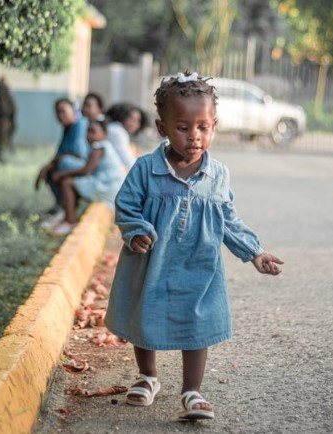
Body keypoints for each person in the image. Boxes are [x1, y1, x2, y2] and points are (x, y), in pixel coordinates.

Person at [104, 71, 284, 420]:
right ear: (162, 128)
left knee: (197, 323)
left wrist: (254, 252)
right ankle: (148, 376)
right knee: (145, 313)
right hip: (152, 261)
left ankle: (191, 390)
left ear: (214, 125)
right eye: (183, 127)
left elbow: (228, 219)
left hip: (199, 264)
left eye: (203, 127)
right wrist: (136, 230)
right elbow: (126, 205)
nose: (194, 137)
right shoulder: (145, 169)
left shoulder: (218, 175)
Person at [47, 114, 126, 236]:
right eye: (88, 131)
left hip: (107, 186)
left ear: (104, 134)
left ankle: (69, 221)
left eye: (93, 132)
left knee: (67, 182)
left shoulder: (98, 147)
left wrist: (61, 174)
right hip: (112, 185)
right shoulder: (104, 145)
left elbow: (86, 170)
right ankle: (67, 216)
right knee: (75, 182)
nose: (89, 136)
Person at [35, 98, 89, 225]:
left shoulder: (80, 124)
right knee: (51, 169)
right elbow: (60, 153)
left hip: (86, 167)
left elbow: (77, 153)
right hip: (75, 165)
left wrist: (50, 165)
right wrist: (47, 167)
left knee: (64, 163)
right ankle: (59, 205)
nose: (60, 115)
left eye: (63, 111)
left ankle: (65, 208)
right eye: (57, 112)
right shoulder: (67, 128)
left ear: (73, 110)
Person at [105, 102, 149, 170]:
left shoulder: (114, 128)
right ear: (122, 116)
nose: (133, 124)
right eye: (130, 118)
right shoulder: (118, 133)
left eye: (138, 121)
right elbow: (129, 162)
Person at [0, 76, 17, 161]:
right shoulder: (0, 99)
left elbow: (11, 110)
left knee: (5, 139)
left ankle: (6, 154)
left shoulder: (8, 99)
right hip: (1, 122)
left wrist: (10, 122)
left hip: (5, 122)